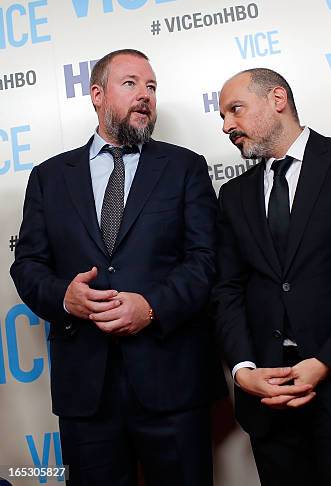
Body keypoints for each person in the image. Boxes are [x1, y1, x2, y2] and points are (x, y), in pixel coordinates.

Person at [10, 49, 219, 486]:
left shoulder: (185, 167)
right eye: (131, 84)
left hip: (173, 385)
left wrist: (153, 307)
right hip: (87, 394)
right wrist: (64, 298)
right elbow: (27, 264)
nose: (145, 95)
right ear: (97, 95)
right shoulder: (49, 177)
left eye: (152, 87)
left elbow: (205, 260)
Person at [212, 68, 331, 486]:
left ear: (277, 98)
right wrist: (244, 371)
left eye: (235, 109)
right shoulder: (233, 196)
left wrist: (327, 361)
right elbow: (227, 291)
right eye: (222, 116)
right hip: (269, 402)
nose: (227, 126)